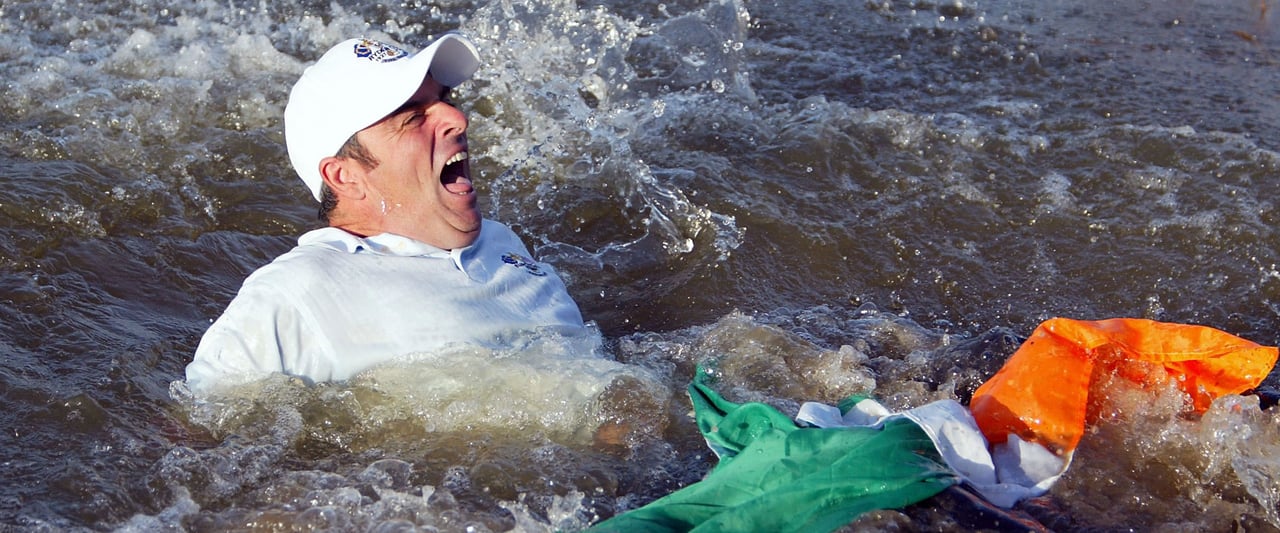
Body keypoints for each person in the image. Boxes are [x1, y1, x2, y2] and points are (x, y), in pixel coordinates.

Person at [184, 34, 585, 395]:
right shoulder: (295, 293)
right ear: (346, 177)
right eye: (412, 117)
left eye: (445, 101)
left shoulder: (500, 242)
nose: (458, 119)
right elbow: (198, 437)